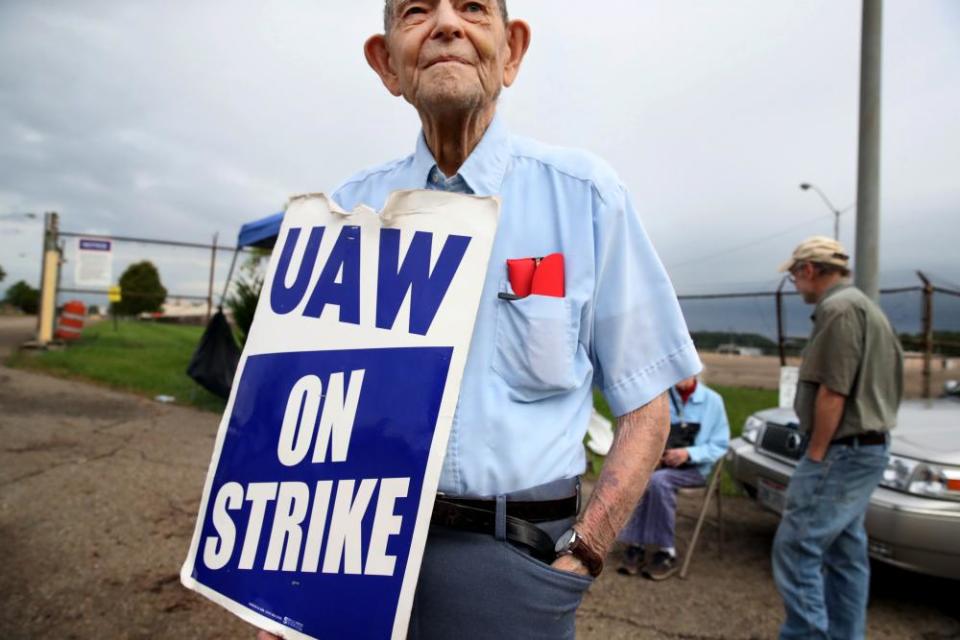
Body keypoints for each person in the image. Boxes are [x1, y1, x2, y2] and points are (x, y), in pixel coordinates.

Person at [261, 1, 700, 637]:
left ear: (512, 50)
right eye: (416, 10)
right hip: (348, 555)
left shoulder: (585, 197)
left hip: (515, 563)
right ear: (387, 63)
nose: (446, 24)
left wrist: (585, 550)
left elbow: (645, 407)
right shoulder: (347, 212)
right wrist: (270, 585)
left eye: (472, 7)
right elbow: (298, 413)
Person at [772, 236, 903, 640]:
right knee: (845, 552)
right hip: (864, 448)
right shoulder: (865, 307)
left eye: (795, 274)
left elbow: (834, 390)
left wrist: (816, 455)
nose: (794, 282)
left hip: (840, 452)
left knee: (796, 548)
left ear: (809, 270)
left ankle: (808, 634)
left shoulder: (839, 309)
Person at [616, 375, 729, 580]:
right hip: (662, 466)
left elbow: (720, 445)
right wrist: (657, 454)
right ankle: (637, 545)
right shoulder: (662, 398)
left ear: (695, 372)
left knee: (658, 482)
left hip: (695, 470)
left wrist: (688, 454)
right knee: (641, 478)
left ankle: (666, 551)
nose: (679, 376)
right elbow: (650, 435)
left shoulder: (713, 401)